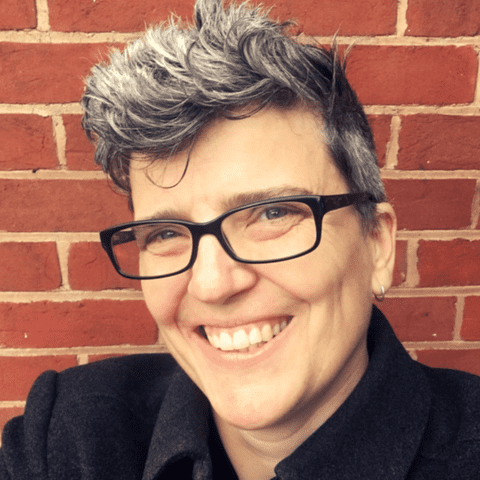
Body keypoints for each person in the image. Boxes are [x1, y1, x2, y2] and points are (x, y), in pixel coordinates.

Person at [2, 0, 480, 478]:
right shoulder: (68, 436)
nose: (212, 284)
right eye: (166, 232)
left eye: (273, 213)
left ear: (376, 244)